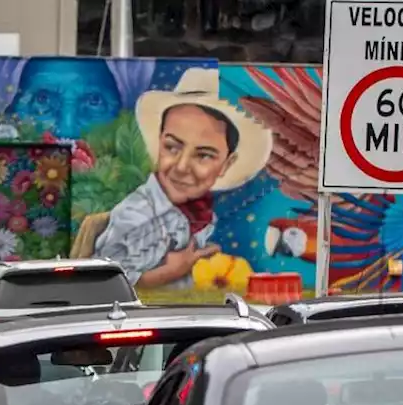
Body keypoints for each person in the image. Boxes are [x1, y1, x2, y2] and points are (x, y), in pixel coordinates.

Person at [93, 67, 273, 290]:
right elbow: (103, 282)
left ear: (227, 164)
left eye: (204, 155)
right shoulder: (137, 217)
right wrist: (167, 273)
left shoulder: (199, 212)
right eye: (172, 147)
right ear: (159, 143)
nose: (181, 166)